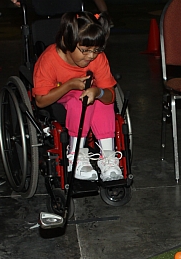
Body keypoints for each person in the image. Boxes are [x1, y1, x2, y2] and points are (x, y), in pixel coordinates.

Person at [33, 11, 123, 182]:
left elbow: (110, 95)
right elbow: (40, 101)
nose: (91, 56)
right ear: (69, 42)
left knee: (101, 101)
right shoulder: (49, 59)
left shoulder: (98, 58)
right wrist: (70, 85)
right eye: (85, 50)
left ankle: (108, 158)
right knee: (79, 99)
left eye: (96, 50)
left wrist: (98, 92)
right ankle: (76, 156)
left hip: (89, 93)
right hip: (59, 94)